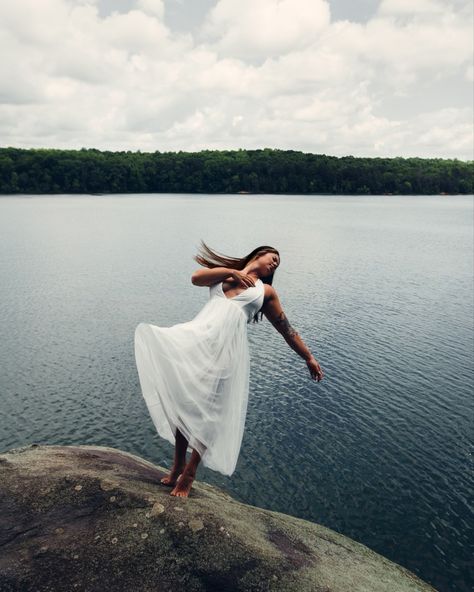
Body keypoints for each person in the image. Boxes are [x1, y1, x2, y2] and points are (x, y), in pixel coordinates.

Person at [134, 240, 324, 498]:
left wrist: (308, 357)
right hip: (197, 342)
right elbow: (195, 278)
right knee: (183, 402)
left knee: (210, 413)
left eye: (277, 264)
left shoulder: (265, 291)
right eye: (273, 257)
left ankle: (190, 472)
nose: (274, 263)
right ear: (259, 254)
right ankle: (178, 462)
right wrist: (230, 272)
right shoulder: (224, 273)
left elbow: (286, 329)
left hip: (226, 355)